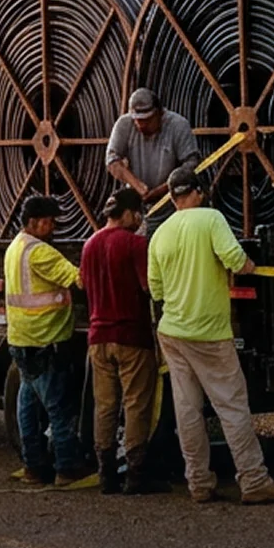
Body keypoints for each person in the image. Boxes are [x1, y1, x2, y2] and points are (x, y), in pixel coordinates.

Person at [147, 165, 274, 506]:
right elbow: (233, 258)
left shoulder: (160, 233)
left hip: (172, 332)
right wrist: (249, 266)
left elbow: (155, 288)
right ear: (198, 192)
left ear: (172, 197)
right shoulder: (211, 219)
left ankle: (198, 483)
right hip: (208, 333)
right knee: (231, 406)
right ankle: (254, 480)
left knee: (187, 410)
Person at [4, 195, 95, 490]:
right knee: (58, 406)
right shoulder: (40, 253)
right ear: (34, 222)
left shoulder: (14, 247)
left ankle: (33, 466)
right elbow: (80, 279)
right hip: (45, 338)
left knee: (28, 406)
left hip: (21, 338)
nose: (54, 226)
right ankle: (67, 467)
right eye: (50, 221)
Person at [79, 191, 166, 495]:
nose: (140, 219)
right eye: (138, 213)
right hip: (132, 338)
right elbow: (149, 287)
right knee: (135, 405)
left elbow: (84, 283)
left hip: (98, 338)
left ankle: (106, 476)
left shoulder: (89, 245)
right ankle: (136, 475)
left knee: (104, 406)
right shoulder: (135, 244)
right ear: (127, 214)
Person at [106, 87, 200, 206]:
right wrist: (137, 186)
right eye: (137, 120)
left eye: (148, 120)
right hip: (137, 205)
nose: (141, 125)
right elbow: (112, 159)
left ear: (160, 113)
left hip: (171, 203)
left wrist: (164, 189)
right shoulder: (124, 124)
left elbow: (192, 164)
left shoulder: (178, 125)